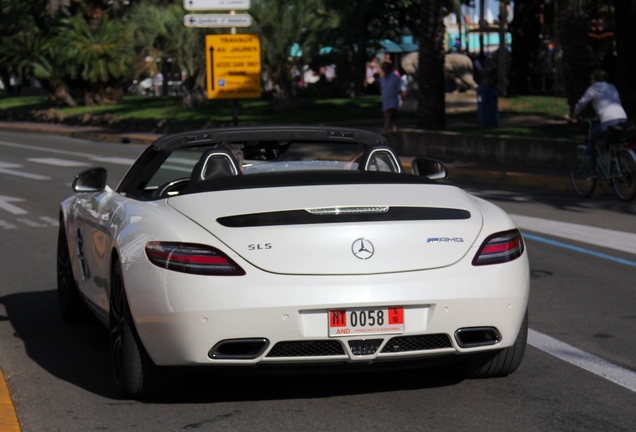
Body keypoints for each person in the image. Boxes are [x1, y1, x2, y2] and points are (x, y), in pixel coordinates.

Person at [570, 69, 628, 178]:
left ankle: (593, 171)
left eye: (591, 79)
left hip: (608, 121)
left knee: (591, 141)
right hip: (622, 119)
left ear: (594, 79)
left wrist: (574, 115)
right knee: (613, 142)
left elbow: (581, 103)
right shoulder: (612, 87)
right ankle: (616, 165)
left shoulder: (593, 89)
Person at [380, 61, 406, 133]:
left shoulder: (395, 78)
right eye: (383, 68)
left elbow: (401, 90)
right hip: (385, 101)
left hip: (393, 101)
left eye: (386, 68)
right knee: (391, 119)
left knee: (389, 115)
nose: (384, 70)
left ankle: (385, 130)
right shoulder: (382, 79)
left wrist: (402, 101)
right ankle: (393, 131)